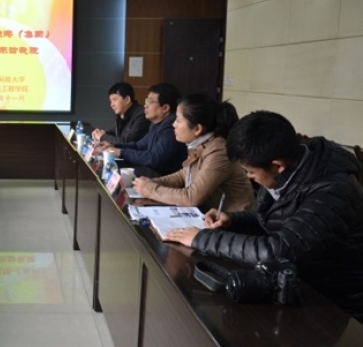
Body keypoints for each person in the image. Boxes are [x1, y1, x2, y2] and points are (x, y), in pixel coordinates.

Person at [165, 111, 363, 321]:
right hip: (295, 284)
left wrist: (202, 238)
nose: (249, 177)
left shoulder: (333, 190)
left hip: (334, 304)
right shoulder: (293, 167)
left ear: (277, 166)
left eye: (250, 172)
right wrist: (232, 219)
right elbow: (275, 222)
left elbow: (283, 250)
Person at [132, 94, 254, 212]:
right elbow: (183, 175)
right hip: (209, 214)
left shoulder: (219, 152)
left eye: (178, 120)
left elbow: (192, 197)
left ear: (197, 129)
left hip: (232, 220)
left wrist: (151, 189)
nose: (173, 125)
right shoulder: (200, 144)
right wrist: (151, 182)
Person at [106, 83, 187, 177]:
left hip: (166, 178)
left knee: (119, 172)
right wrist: (114, 146)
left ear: (165, 108)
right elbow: (139, 145)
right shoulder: (155, 124)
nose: (145, 105)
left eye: (150, 102)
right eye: (146, 101)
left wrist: (120, 152)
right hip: (153, 172)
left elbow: (154, 159)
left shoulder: (171, 127)